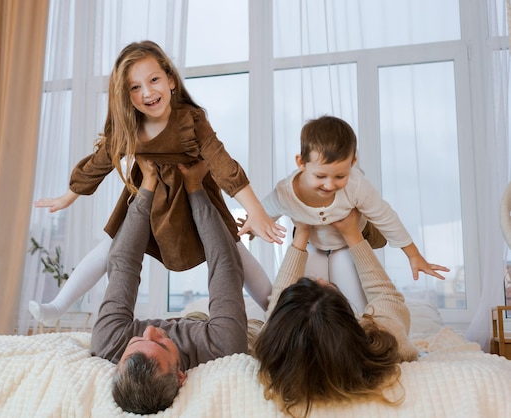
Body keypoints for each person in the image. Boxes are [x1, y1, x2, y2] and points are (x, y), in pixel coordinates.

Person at [30, 40, 285, 325]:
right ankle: (57, 306)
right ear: (126, 95)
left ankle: (279, 314)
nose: (148, 92)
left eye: (153, 80)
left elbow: (222, 163)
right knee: (111, 248)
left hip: (195, 197)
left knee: (234, 253)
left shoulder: (191, 120)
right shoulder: (128, 127)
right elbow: (99, 162)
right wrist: (68, 195)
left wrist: (257, 212)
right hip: (150, 200)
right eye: (135, 87)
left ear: (171, 81)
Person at [91, 158, 248, 414]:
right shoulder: (224, 346)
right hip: (213, 319)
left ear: (118, 361)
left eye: (137, 341)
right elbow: (225, 265)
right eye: (162, 344)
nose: (151, 329)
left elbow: (124, 264)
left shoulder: (109, 343)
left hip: (151, 185)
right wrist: (195, 187)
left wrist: (148, 185)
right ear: (180, 375)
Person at [261, 115, 448, 311]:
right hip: (312, 245)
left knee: (356, 308)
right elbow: (263, 214)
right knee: (305, 305)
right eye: (320, 176)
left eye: (340, 176)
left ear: (353, 162)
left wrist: (413, 254)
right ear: (301, 162)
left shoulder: (356, 185)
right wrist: (249, 227)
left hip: (346, 245)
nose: (329, 184)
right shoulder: (287, 191)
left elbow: (385, 217)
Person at [253, 208, 419, 418]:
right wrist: (352, 235)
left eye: (314, 281)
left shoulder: (274, 344)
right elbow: (387, 296)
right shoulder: (383, 343)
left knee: (316, 251)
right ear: (351, 320)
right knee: (342, 254)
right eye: (329, 286)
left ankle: (317, 240)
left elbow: (278, 301)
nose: (321, 279)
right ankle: (336, 240)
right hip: (348, 245)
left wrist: (302, 233)